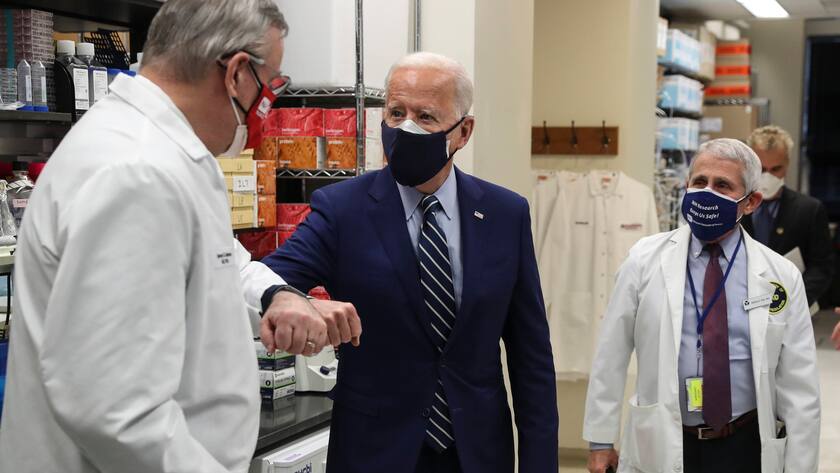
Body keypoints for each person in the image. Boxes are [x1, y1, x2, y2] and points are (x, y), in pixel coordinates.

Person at [0, 1, 359, 471]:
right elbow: (116, 411)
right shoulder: (137, 172)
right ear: (235, 74)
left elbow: (218, 261)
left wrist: (277, 296)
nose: (266, 110)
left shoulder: (167, 155)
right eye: (270, 90)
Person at [242, 52, 559, 473]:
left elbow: (530, 356)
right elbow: (267, 281)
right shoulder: (343, 210)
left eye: (426, 116)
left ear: (463, 132)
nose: (406, 127)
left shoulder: (505, 214)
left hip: (477, 452)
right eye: (396, 112)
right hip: (374, 451)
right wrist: (296, 300)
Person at [583, 139, 820, 473]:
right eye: (699, 182)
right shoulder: (644, 259)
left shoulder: (780, 276)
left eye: (722, 185)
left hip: (744, 442)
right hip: (665, 438)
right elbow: (611, 353)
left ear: (750, 201)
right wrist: (600, 441)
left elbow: (800, 387)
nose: (706, 193)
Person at [743, 125, 834, 310]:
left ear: (787, 165)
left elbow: (822, 267)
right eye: (761, 169)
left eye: (776, 169)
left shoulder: (809, 210)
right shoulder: (736, 206)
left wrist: (792, 302)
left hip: (792, 307)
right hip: (739, 306)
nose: (767, 176)